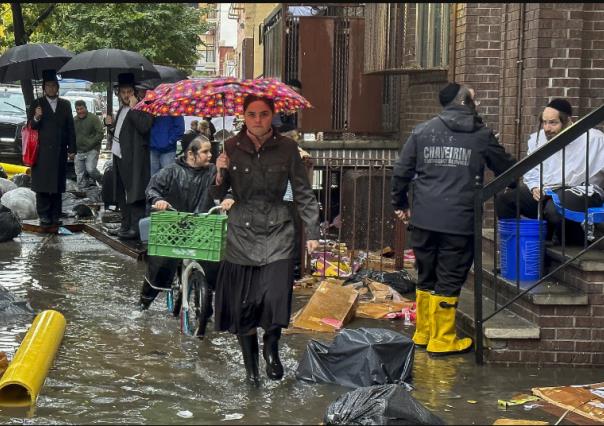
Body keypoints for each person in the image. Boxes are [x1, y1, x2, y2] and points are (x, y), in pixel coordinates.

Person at [391, 82, 516, 356]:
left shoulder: (422, 131)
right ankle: (443, 339)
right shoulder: (481, 135)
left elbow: (401, 171)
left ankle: (423, 333)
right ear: (464, 102)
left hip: (423, 218)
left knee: (426, 275)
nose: (478, 104)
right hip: (460, 220)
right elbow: (507, 169)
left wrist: (400, 204)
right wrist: (521, 190)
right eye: (474, 99)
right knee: (449, 277)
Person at [212, 95, 320, 384]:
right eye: (251, 114)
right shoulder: (230, 147)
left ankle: (271, 347)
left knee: (274, 295)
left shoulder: (287, 148)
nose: (257, 120)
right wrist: (219, 171)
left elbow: (303, 192)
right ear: (243, 116)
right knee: (244, 305)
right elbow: (215, 196)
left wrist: (312, 231)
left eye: (263, 114)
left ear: (272, 115)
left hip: (278, 228)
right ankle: (251, 373)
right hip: (242, 231)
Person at [139, 137, 234, 322]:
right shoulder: (171, 171)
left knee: (213, 263)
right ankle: (143, 303)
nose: (210, 155)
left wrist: (228, 194)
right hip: (174, 226)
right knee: (160, 266)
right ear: (191, 153)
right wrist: (158, 200)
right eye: (205, 152)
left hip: (203, 227)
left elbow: (227, 187)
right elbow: (152, 189)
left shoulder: (214, 171)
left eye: (210, 151)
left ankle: (204, 304)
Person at [495, 98, 604, 245]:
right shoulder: (538, 139)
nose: (547, 128)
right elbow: (531, 169)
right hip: (544, 190)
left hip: (582, 191)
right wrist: (534, 187)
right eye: (544, 122)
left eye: (553, 122)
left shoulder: (594, 139)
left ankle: (574, 237)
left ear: (567, 121)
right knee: (505, 200)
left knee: (553, 207)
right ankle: (515, 248)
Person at [105, 73, 154, 240]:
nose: (126, 95)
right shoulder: (121, 109)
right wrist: (110, 127)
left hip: (135, 159)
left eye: (129, 92)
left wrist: (134, 109)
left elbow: (144, 127)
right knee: (121, 192)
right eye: (123, 92)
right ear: (119, 93)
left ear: (134, 92)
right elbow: (121, 132)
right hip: (119, 156)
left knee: (135, 193)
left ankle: (136, 228)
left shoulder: (143, 107)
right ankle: (125, 225)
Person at [27, 69, 76, 227]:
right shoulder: (37, 104)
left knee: (57, 184)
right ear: (43, 87)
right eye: (48, 86)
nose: (51, 88)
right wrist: (37, 117)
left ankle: (55, 214)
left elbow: (70, 127)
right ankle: (44, 215)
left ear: (57, 87)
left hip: (60, 151)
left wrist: (72, 148)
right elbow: (31, 126)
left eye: (54, 85)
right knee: (42, 185)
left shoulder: (65, 104)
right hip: (41, 152)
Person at [73, 99, 104, 189]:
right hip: (78, 151)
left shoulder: (93, 118)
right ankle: (83, 193)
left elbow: (100, 133)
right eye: (78, 109)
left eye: (81, 109)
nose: (80, 111)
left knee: (90, 169)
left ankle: (102, 180)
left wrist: (91, 142)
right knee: (79, 174)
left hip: (92, 149)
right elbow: (70, 135)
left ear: (86, 108)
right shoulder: (74, 120)